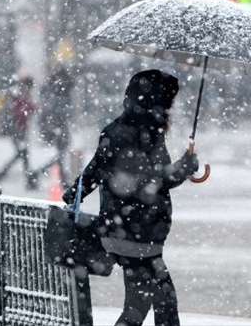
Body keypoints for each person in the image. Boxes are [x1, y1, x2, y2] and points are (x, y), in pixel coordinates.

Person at [61, 70, 198, 326]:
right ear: (155, 102)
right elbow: (153, 181)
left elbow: (96, 169)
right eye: (168, 103)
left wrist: (74, 193)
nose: (169, 110)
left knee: (151, 302)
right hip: (138, 233)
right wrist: (185, 167)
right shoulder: (144, 133)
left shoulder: (115, 128)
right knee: (153, 304)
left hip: (120, 231)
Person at [0, 76, 38, 189]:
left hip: (18, 128)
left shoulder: (18, 93)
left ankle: (2, 175)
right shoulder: (20, 94)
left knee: (22, 154)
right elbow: (20, 111)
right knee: (22, 154)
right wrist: (31, 108)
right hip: (18, 128)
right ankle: (27, 179)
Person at [37, 66, 74, 187]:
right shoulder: (55, 90)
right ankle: (59, 178)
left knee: (60, 153)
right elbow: (53, 109)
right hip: (56, 125)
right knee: (60, 153)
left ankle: (42, 172)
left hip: (59, 124)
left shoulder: (61, 89)